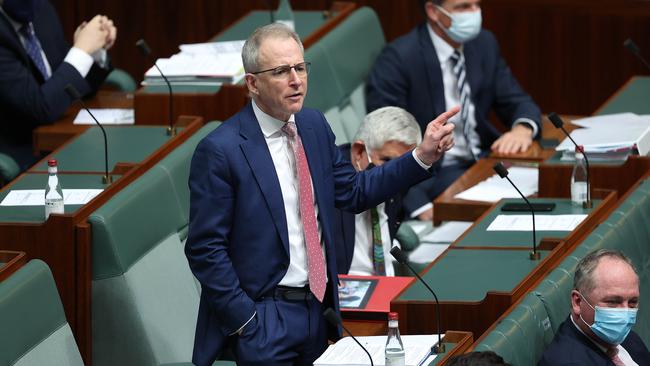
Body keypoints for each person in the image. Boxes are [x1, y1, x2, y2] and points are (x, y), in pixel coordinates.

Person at [185, 23, 457, 366]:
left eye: (300, 67)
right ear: (252, 83)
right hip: (265, 317)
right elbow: (204, 248)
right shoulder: (221, 150)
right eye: (281, 71)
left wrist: (421, 156)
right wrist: (247, 322)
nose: (296, 79)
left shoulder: (313, 126)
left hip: (318, 309)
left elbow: (355, 192)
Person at [366, 0, 541, 220]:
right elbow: (388, 144)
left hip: (484, 162)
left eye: (477, 5)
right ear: (433, 11)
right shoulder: (398, 59)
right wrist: (420, 207)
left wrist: (522, 128)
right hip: (433, 177)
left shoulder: (483, 43)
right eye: (463, 7)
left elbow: (516, 99)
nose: (475, 13)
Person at [0, 0, 116, 170]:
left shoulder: (42, 12)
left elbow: (69, 89)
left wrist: (95, 49)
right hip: (23, 157)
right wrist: (81, 51)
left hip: (60, 141)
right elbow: (41, 108)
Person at [334, 106, 422, 276]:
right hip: (345, 292)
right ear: (359, 152)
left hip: (387, 286)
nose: (394, 173)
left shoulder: (398, 177)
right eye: (387, 160)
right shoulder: (329, 183)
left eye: (402, 165)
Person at [539, 249, 650, 365]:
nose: (625, 313)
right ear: (578, 302)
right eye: (613, 302)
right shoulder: (566, 361)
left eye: (632, 302)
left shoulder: (625, 339)